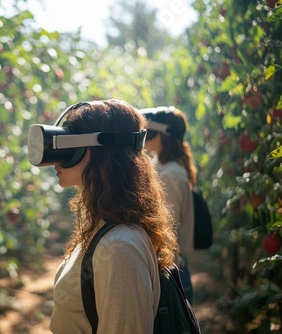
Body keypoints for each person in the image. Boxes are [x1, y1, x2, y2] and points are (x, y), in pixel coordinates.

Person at [28, 99, 178, 333]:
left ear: (101, 150)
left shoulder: (118, 248)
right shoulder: (105, 228)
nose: (58, 158)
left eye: (69, 144)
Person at [140, 106, 196, 304]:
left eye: (150, 131)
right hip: (172, 271)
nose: (145, 135)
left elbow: (168, 231)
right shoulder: (165, 168)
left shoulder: (170, 175)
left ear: (165, 136)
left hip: (171, 274)